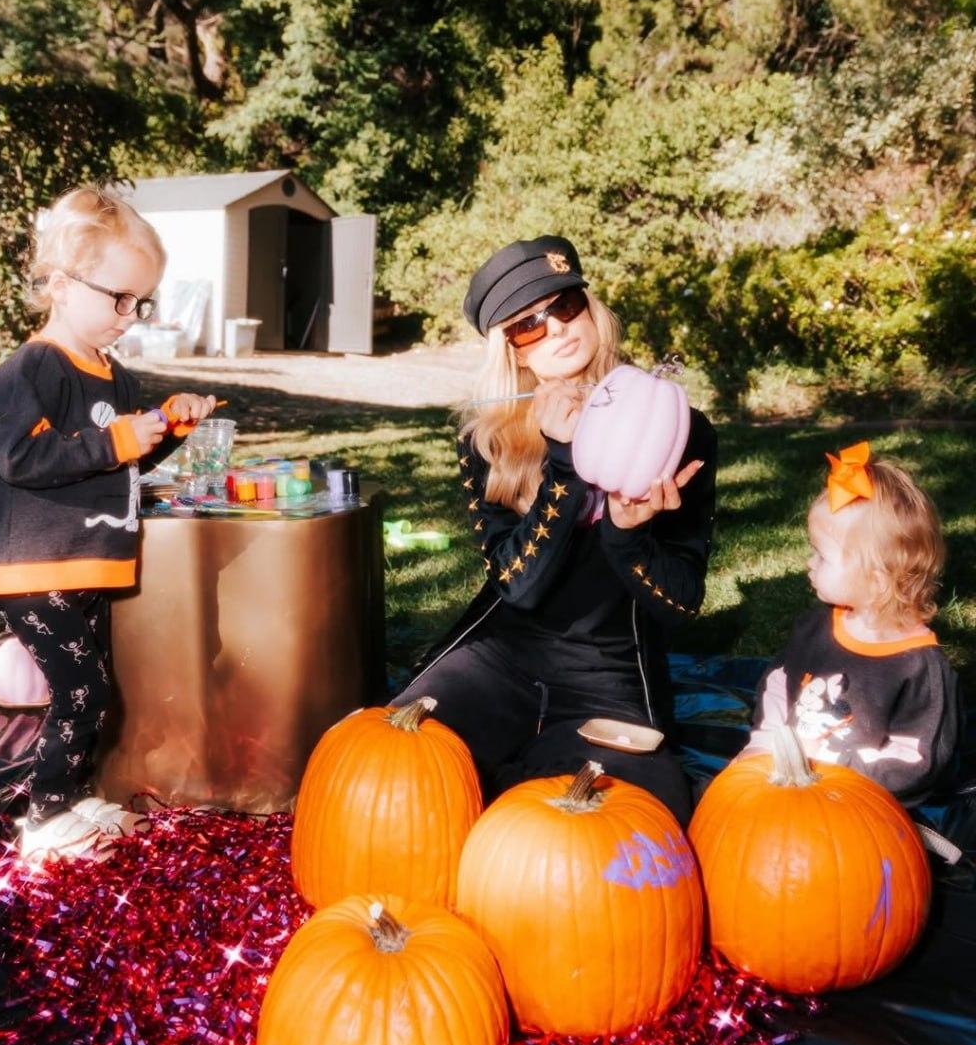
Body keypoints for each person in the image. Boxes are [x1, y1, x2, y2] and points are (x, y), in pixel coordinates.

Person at [393, 236, 718, 826]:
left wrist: (628, 535)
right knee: (398, 766)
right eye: (528, 326)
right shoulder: (485, 441)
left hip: (612, 672)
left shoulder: (678, 429)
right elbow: (518, 587)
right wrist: (563, 463)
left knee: (615, 823)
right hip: (499, 655)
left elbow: (682, 601)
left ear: (590, 307)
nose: (557, 329)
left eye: (564, 305)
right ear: (512, 352)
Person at [0, 186, 218, 861]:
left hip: (84, 560)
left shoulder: (114, 377)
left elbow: (122, 462)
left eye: (141, 302)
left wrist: (167, 427)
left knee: (91, 690)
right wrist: (118, 442)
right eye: (118, 298)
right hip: (33, 565)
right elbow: (17, 455)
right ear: (59, 283)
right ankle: (43, 819)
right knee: (84, 689)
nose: (130, 316)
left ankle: (72, 792)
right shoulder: (31, 371)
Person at [743, 441, 962, 806]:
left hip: (860, 805)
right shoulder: (817, 628)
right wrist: (766, 742)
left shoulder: (917, 667)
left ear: (875, 580)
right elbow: (780, 682)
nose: (808, 564)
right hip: (788, 780)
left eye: (822, 556)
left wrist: (839, 770)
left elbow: (915, 761)